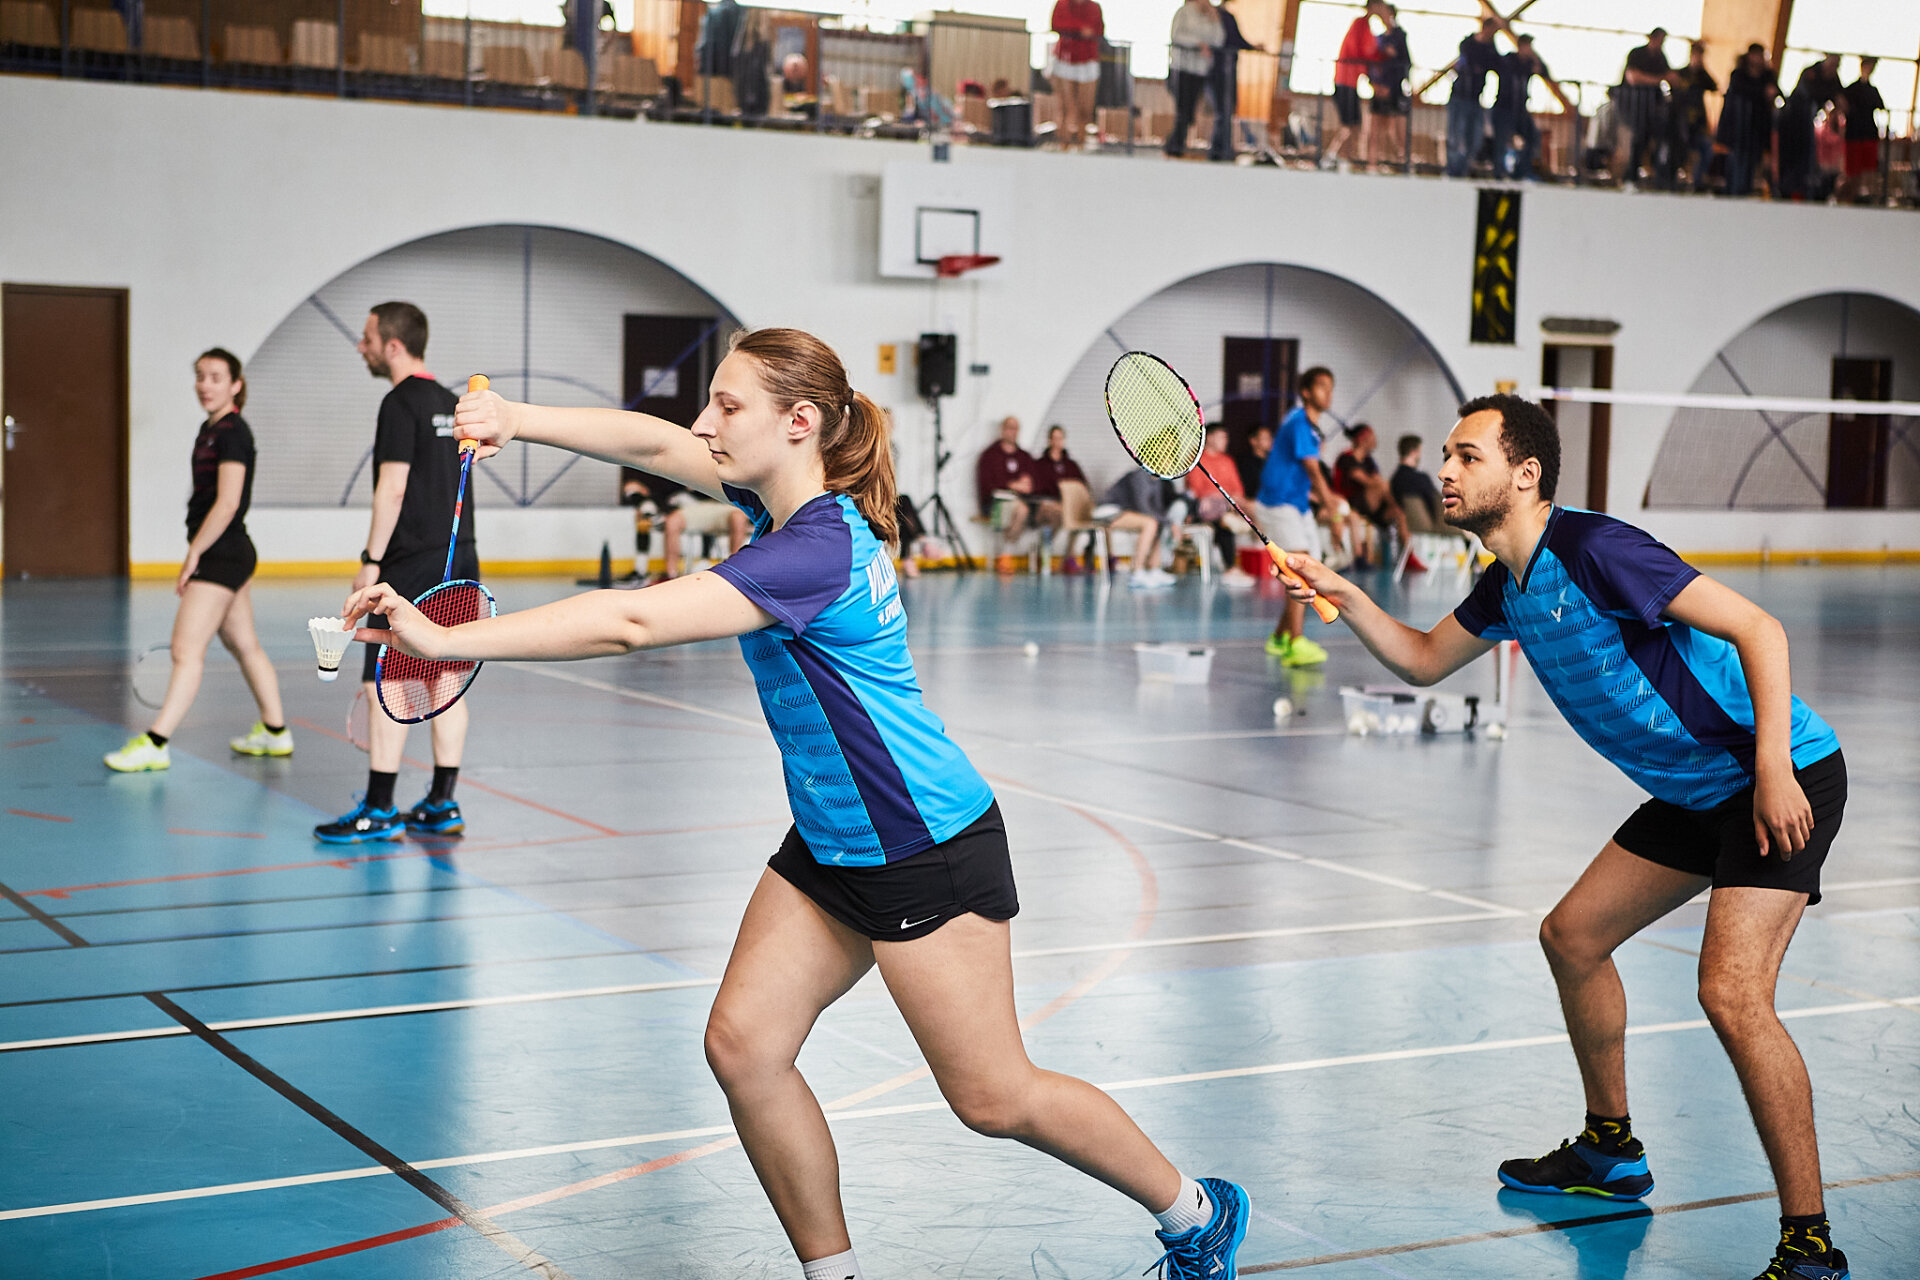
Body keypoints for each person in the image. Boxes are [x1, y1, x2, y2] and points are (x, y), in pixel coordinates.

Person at [357, 327, 1251, 1280]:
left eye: (728, 406)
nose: (706, 423)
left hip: (921, 845)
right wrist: (516, 418)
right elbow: (656, 443)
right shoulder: (775, 506)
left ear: (800, 422)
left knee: (993, 1096)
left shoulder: (815, 550)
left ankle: (1196, 1214)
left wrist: (451, 640)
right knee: (744, 1048)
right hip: (832, 840)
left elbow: (632, 620)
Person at [1280, 394, 1851, 1280]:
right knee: (1573, 937)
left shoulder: (1595, 550)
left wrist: (1774, 766)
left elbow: (1759, 629)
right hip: (1695, 792)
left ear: (1526, 474)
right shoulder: (1507, 585)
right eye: (1446, 455)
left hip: (1778, 776)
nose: (1445, 471)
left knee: (1732, 994)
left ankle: (1810, 1245)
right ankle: (1610, 1151)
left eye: (1467, 456)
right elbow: (1424, 660)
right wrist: (1345, 595)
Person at [315, 302, 476, 844]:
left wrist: (370, 560)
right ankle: (442, 803)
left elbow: (394, 486)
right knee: (447, 676)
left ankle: (380, 809)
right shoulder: (452, 404)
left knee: (389, 677)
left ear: (393, 345)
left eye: (366, 338)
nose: (360, 347)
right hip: (460, 561)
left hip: (408, 565)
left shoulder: (398, 403)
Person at [105, 349, 291, 772]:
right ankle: (276, 731)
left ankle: (156, 742)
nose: (205, 385)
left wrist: (194, 554)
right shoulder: (209, 430)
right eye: (200, 376)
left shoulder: (234, 433)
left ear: (235, 385)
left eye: (215, 377)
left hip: (222, 555)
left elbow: (227, 503)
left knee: (185, 650)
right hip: (228, 552)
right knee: (244, 644)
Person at [1255, 367, 1335, 666]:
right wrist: (1334, 516)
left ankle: (1279, 637)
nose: (1328, 393)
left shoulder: (1309, 427)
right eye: (1322, 386)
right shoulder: (1299, 422)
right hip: (1278, 504)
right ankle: (1296, 643)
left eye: (1331, 387)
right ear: (1306, 392)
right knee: (1300, 570)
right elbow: (1313, 470)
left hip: (1297, 506)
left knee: (1308, 572)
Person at [1333, 424, 1418, 570]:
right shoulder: (1346, 458)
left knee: (1399, 513)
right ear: (1362, 439)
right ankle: (1396, 504)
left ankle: (1408, 556)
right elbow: (1366, 481)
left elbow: (1375, 480)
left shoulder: (1369, 461)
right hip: (1351, 503)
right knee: (1383, 486)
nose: (1375, 440)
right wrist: (1381, 484)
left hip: (1373, 507)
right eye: (1372, 437)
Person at [1615, 27, 1678, 188]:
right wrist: (1658, 80)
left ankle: (1659, 178)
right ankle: (1630, 177)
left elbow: (1671, 77)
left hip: (1652, 109)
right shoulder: (1637, 54)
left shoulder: (1660, 58)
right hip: (1634, 105)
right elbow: (1633, 77)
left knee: (1658, 139)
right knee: (1638, 139)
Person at [1326, 0, 1386, 166]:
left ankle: (1343, 158)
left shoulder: (1367, 28)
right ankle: (1334, 156)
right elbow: (1358, 52)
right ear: (1373, 6)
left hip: (1352, 82)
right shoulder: (1359, 24)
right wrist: (1371, 78)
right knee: (1349, 124)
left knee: (1354, 124)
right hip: (1344, 81)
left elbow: (1370, 54)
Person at [1778, 54, 1843, 201]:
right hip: (1794, 123)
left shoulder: (1833, 78)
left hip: (1809, 126)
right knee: (1794, 157)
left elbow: (1838, 93)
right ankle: (1789, 190)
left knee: (1808, 158)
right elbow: (1809, 93)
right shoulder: (1810, 72)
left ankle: (1804, 189)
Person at [974, 415, 1050, 543]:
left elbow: (1036, 482)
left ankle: (1044, 550)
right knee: (1021, 510)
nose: (1013, 432)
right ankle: (1007, 548)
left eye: (1016, 428)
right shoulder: (989, 456)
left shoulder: (1024, 456)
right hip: (995, 504)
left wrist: (1030, 486)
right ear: (1002, 430)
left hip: (1024, 500)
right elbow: (987, 486)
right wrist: (1011, 485)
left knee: (1049, 511)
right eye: (1010, 428)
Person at [1718, 44, 1779, 198]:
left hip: (1757, 130)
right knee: (1737, 165)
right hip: (1739, 130)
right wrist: (1763, 92)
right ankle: (1733, 193)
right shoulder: (1738, 75)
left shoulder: (1768, 76)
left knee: (1750, 167)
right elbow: (1744, 91)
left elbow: (1776, 92)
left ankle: (1743, 193)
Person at [1187, 425, 1250, 574]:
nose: (1226, 441)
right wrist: (1224, 497)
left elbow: (1238, 489)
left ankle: (1258, 538)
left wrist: (1228, 498)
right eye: (1222, 437)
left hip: (1229, 504)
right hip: (1204, 508)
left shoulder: (1227, 461)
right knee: (1223, 520)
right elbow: (1198, 491)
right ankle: (1231, 567)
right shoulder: (1196, 460)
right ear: (1209, 437)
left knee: (1249, 506)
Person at [1102, 468, 1179, 587]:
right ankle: (1137, 572)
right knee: (1150, 523)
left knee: (1158, 523)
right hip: (1109, 510)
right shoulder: (1138, 476)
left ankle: (1155, 569)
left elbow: (1157, 509)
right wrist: (1169, 523)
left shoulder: (1158, 480)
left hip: (1125, 511)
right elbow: (1142, 507)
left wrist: (1168, 523)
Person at [1163, 0, 1221, 159]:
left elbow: (1218, 40)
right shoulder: (1184, 13)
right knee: (1183, 109)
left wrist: (1215, 20)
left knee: (1190, 110)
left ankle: (1177, 145)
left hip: (1200, 69)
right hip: (1182, 67)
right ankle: (1174, 147)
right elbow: (1177, 35)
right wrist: (1198, 43)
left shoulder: (1211, 16)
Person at [1445, 18, 1500, 177]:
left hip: (1475, 99)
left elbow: (1496, 64)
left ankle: (1464, 168)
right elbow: (1468, 60)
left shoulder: (1490, 49)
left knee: (1475, 138)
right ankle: (1453, 170)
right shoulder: (1468, 44)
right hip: (1459, 97)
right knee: (1456, 135)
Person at [1207, 0, 1259, 162]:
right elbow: (1232, 39)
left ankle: (1222, 148)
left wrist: (1253, 47)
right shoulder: (1217, 16)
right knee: (1223, 110)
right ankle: (1219, 150)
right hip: (1219, 71)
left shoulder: (1224, 16)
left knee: (1226, 110)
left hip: (1226, 70)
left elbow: (1236, 39)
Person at [1049, 0, 1103, 151]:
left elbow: (1098, 30)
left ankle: (1080, 143)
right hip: (1065, 58)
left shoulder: (1094, 7)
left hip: (1088, 59)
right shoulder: (1062, 4)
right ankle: (1063, 144)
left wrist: (1080, 30)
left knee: (1085, 108)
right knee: (1065, 107)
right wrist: (1080, 29)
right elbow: (1056, 24)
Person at [1490, 33, 1546, 180]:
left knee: (1532, 137)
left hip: (1521, 110)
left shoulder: (1528, 64)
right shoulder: (1509, 60)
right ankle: (1499, 173)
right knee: (1501, 141)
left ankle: (1522, 171)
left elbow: (1543, 71)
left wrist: (1534, 57)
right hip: (1503, 108)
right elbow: (1496, 64)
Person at [1363, 4, 1409, 170]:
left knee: (1397, 130)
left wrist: (1392, 87)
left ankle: (1403, 163)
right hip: (1378, 90)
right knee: (1375, 130)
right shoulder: (1379, 39)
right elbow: (1370, 63)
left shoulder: (1400, 36)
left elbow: (1405, 64)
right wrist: (1373, 84)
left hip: (1394, 90)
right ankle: (1372, 164)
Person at [1671, 40, 1718, 191]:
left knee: (1707, 149)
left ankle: (1698, 182)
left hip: (1697, 124)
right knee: (1678, 151)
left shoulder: (1702, 76)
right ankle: (1674, 180)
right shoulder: (1681, 73)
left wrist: (1703, 69)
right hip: (1680, 123)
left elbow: (1714, 86)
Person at [1840, 57, 1884, 203]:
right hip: (1854, 135)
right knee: (1853, 171)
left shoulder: (1872, 90)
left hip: (1868, 134)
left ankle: (1867, 198)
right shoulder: (1851, 89)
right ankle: (1851, 198)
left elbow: (1880, 106)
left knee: (1868, 170)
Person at [1389, 433, 1442, 530]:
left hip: (1406, 528)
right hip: (1434, 528)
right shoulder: (1421, 478)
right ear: (1414, 452)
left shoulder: (1394, 480)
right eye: (1419, 452)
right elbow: (1437, 502)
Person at [695, 0, 740, 79]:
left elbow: (705, 43)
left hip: (717, 66)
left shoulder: (714, 13)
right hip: (728, 67)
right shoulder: (739, 12)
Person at [1234, 423, 1272, 497]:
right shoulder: (1244, 462)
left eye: (1270, 437)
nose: (1270, 441)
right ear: (1253, 441)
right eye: (1265, 438)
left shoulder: (1273, 460)